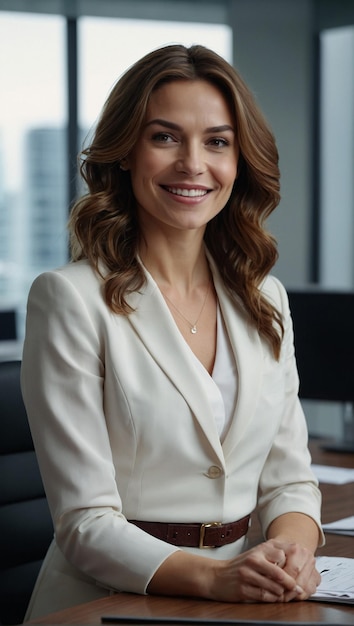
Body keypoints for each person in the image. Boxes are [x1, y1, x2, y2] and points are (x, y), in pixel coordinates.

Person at [21, 43, 324, 620]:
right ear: (126, 154)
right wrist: (217, 579)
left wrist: (293, 551)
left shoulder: (266, 299)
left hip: (249, 601)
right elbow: (85, 523)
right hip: (107, 601)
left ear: (239, 161)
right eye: (164, 137)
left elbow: (289, 480)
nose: (192, 163)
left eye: (217, 141)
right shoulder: (69, 299)